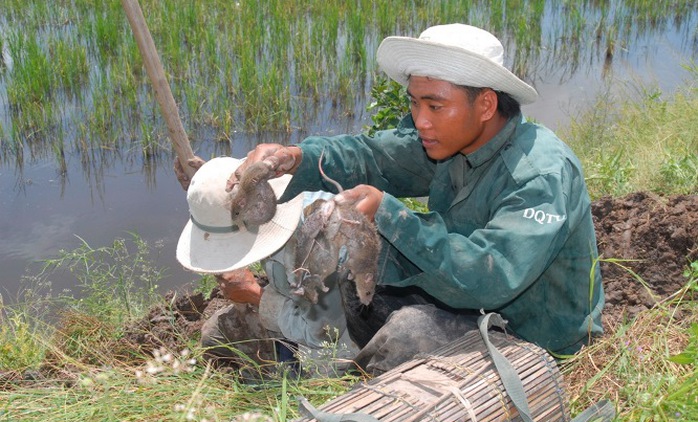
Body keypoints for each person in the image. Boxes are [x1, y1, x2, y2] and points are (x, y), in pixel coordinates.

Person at [217, 23, 604, 375]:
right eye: (415, 103)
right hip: (470, 301)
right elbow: (372, 156)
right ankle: (342, 353)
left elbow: (492, 276)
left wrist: (390, 214)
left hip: (533, 337)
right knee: (355, 268)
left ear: (486, 104)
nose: (421, 120)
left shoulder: (538, 174)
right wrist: (295, 157)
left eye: (435, 105)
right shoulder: (450, 141)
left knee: (409, 333)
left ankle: (350, 383)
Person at [175, 156, 359, 375]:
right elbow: (232, 200)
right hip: (297, 302)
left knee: (304, 379)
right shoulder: (260, 202)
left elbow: (325, 333)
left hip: (344, 340)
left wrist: (255, 295)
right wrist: (209, 197)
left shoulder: (316, 244)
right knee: (215, 335)